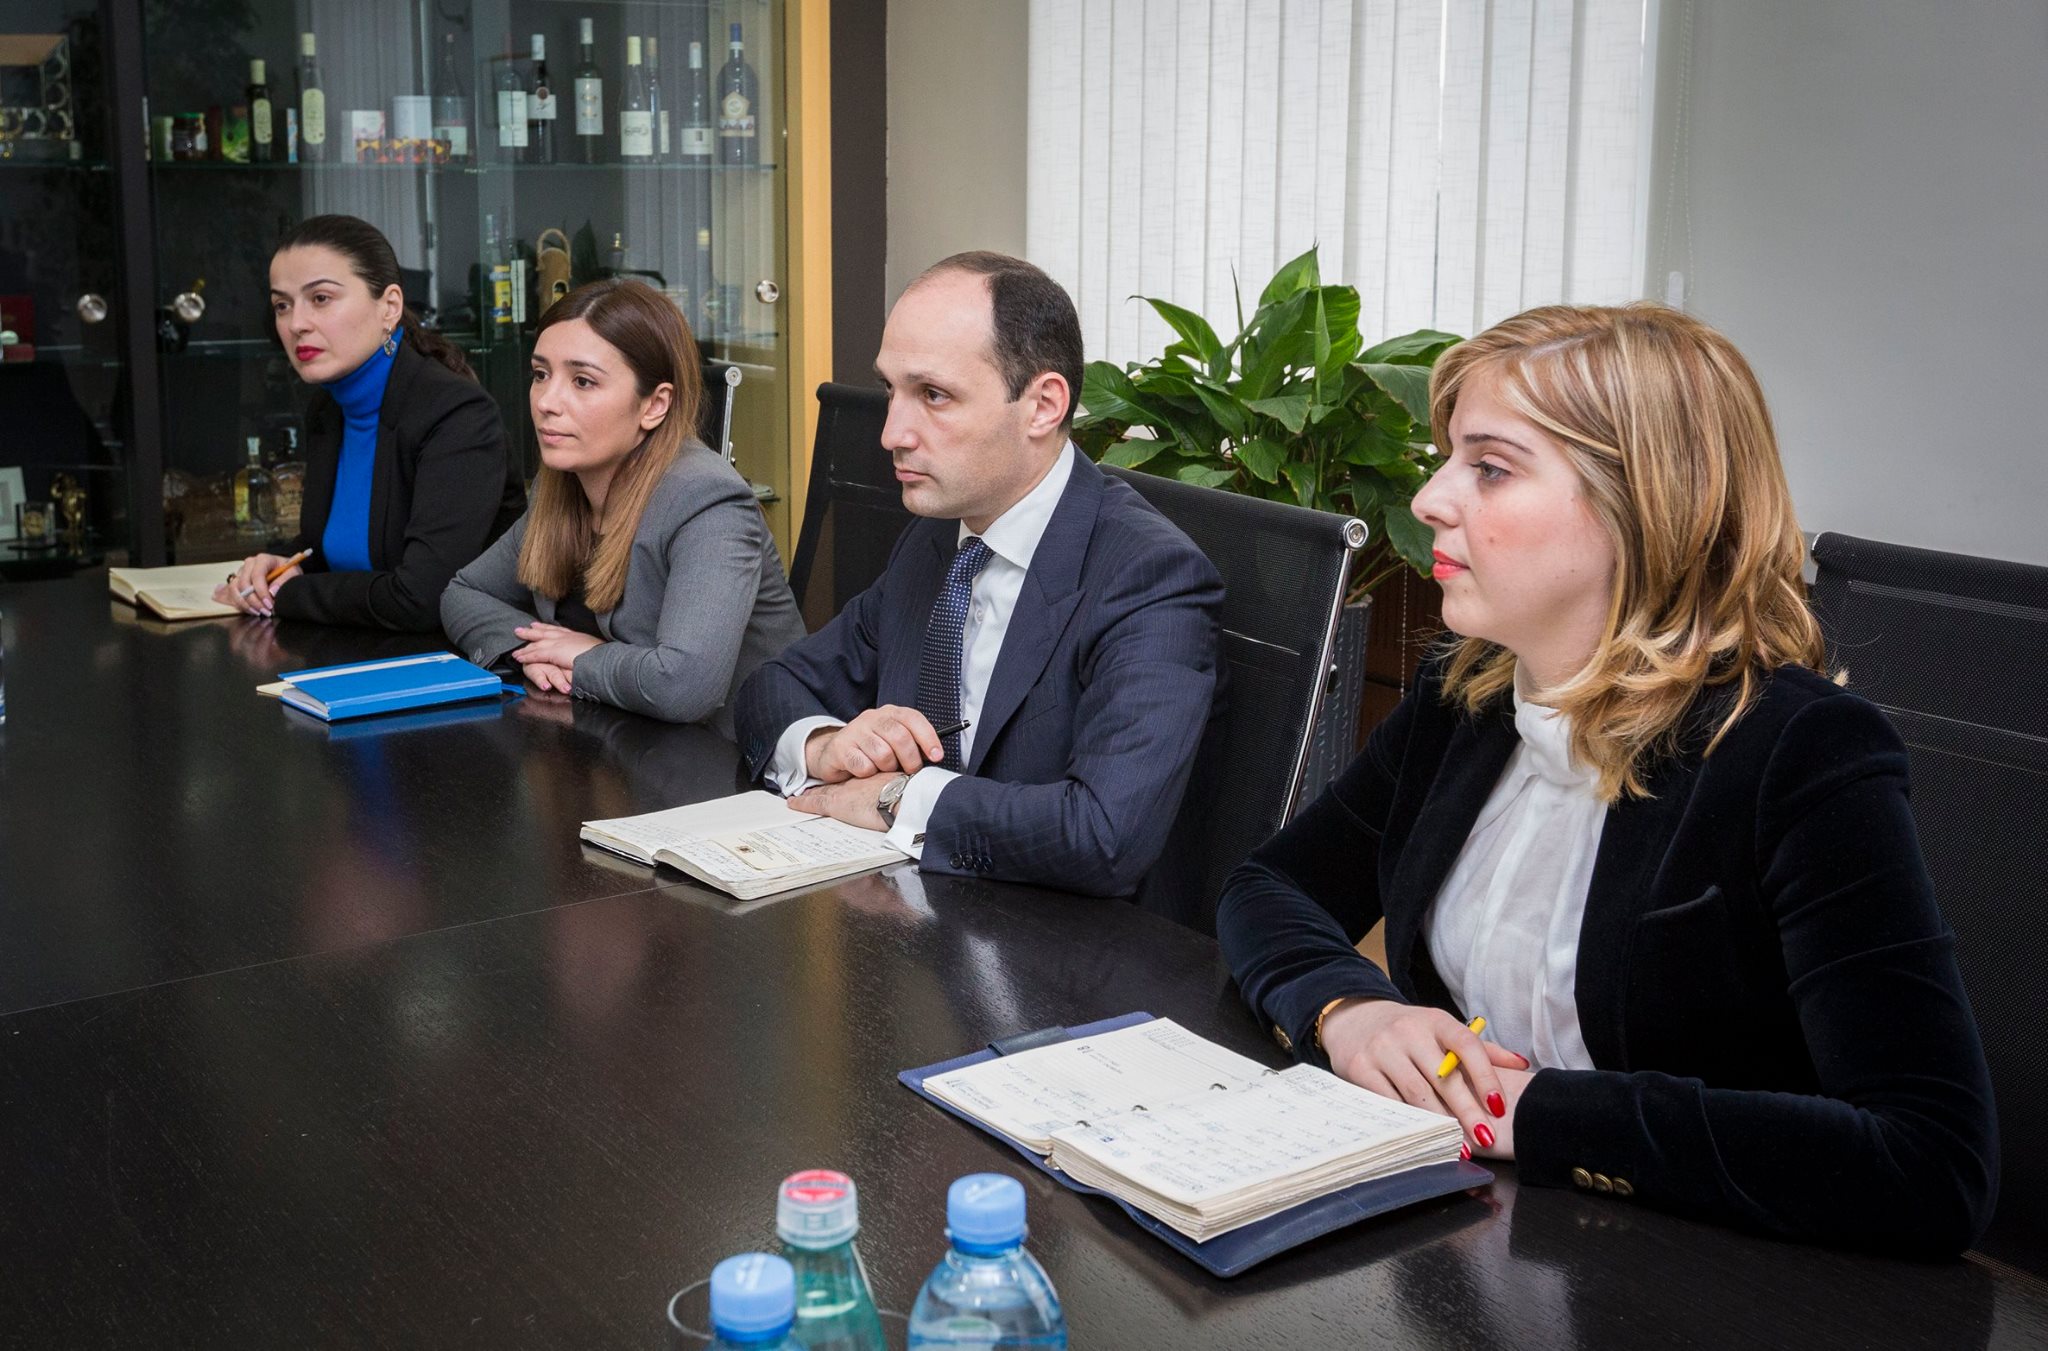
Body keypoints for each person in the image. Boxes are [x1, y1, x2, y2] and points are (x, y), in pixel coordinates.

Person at [1216, 303, 1997, 1255]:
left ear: (1639, 506)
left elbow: (1931, 1162)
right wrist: (1351, 1008)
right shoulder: (1469, 693)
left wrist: (1538, 1113)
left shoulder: (1797, 751)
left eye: (1490, 467)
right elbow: (1270, 886)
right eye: (1449, 456)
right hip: (1469, 1252)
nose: (1428, 498)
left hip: (1698, 1281)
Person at [732, 252, 1224, 897]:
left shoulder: (1149, 576)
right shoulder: (939, 538)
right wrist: (826, 745)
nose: (891, 434)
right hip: (909, 907)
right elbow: (774, 684)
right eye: (891, 391)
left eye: (933, 396)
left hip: (1056, 940)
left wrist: (897, 798)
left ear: (1043, 406)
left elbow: (1103, 836)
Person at [441, 279, 804, 732]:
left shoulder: (709, 501)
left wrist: (586, 656)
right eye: (540, 375)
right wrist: (533, 653)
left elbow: (683, 687)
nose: (547, 402)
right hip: (618, 741)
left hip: (736, 758)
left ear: (654, 405)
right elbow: (463, 593)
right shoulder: (563, 487)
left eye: (583, 381)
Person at [217, 215, 525, 630]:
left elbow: (423, 598)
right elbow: (331, 548)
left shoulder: (458, 415)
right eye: (282, 305)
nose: (296, 324)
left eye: (320, 298)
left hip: (453, 658)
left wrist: (287, 593)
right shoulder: (328, 408)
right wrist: (281, 565)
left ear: (390, 307)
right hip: (359, 646)